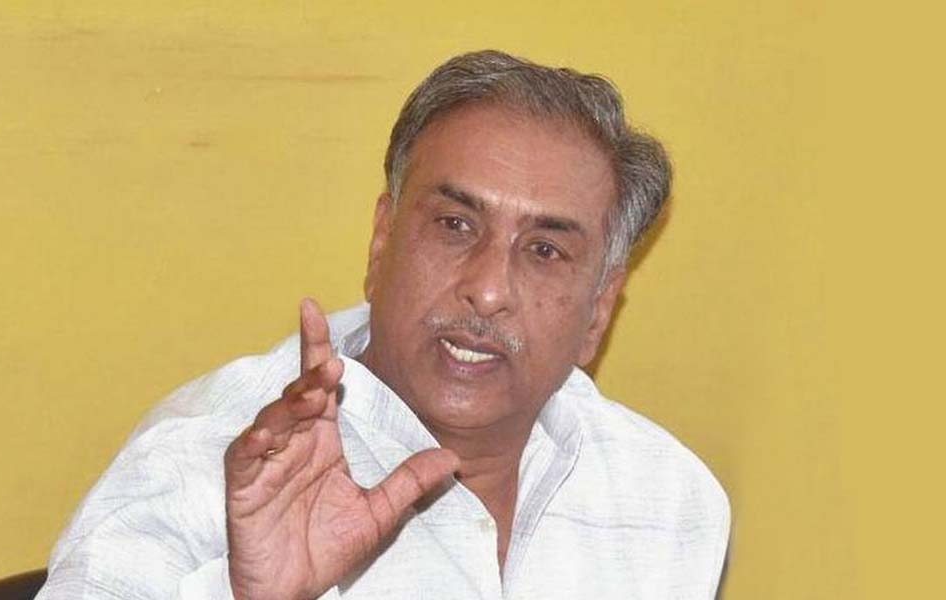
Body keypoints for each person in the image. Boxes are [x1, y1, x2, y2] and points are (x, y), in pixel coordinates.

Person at [37, 50, 730, 599]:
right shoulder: (211, 464)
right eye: (455, 225)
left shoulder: (667, 498)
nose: (488, 290)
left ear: (600, 309)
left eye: (545, 250)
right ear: (381, 242)